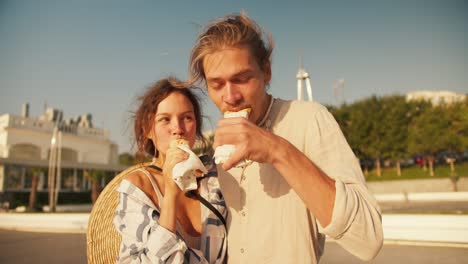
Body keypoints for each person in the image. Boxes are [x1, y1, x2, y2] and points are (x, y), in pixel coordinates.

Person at [188, 13, 383, 263]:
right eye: (217, 84)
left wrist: (278, 151)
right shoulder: (218, 146)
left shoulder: (309, 119)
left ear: (266, 72)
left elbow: (369, 239)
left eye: (242, 79)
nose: (230, 96)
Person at [113, 78, 227, 263]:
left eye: (187, 118)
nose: (178, 129)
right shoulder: (138, 186)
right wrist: (171, 194)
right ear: (148, 130)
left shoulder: (214, 177)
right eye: (165, 119)